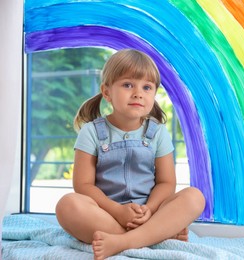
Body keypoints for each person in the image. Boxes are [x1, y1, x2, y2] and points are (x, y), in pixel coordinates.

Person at [55, 49, 206, 260]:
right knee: (67, 205)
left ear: (154, 94)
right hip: (106, 213)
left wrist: (150, 210)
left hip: (150, 213)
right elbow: (83, 186)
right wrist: (117, 211)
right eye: (128, 85)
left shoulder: (158, 132)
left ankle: (124, 241)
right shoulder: (91, 132)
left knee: (194, 197)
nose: (138, 93)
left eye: (146, 87)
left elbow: (166, 182)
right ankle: (156, 236)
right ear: (107, 92)